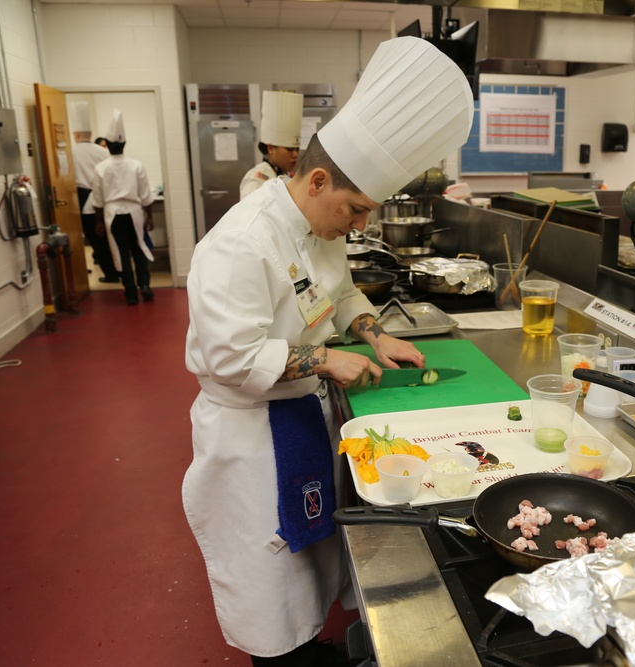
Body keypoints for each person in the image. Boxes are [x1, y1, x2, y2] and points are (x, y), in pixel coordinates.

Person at [182, 36, 473, 666]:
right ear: (317, 180)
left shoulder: (318, 227)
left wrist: (374, 334)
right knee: (272, 573)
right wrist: (323, 360)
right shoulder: (239, 244)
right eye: (356, 209)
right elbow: (231, 358)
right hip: (253, 436)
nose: (360, 225)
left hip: (302, 416)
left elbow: (338, 297)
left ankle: (308, 642)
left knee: (311, 561)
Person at [90, 109, 156, 306]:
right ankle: (145, 285)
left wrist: (99, 221)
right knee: (139, 247)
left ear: (107, 146)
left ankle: (130, 293)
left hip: (112, 215)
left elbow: (98, 199)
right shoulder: (136, 165)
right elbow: (145, 195)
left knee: (121, 252)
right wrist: (149, 217)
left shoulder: (101, 168)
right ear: (124, 145)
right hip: (134, 213)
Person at [69, 102, 119, 283]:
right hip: (106, 197)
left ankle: (110, 274)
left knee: (95, 239)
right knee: (110, 236)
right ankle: (119, 270)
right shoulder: (102, 151)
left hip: (83, 197)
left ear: (75, 135)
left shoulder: (70, 152)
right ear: (90, 134)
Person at [239, 90, 303, 199]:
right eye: (289, 149)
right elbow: (250, 214)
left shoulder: (284, 176)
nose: (295, 155)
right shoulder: (257, 180)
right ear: (271, 148)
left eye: (297, 149)